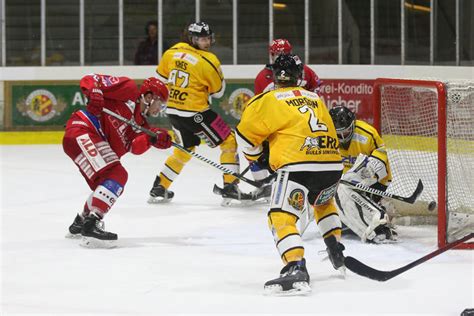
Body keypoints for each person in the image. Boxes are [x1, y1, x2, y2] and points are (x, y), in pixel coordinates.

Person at [236, 54, 346, 295]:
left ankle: (295, 265)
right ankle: (335, 247)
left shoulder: (266, 99)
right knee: (323, 204)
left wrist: (258, 159)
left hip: (297, 166)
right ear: (299, 75)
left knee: (281, 217)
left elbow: (244, 138)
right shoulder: (315, 97)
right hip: (332, 164)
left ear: (275, 75)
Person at [149, 21, 251, 206]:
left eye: (208, 38)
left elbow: (160, 80)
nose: (207, 42)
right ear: (193, 39)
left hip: (173, 111)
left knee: (184, 149)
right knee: (229, 141)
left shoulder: (171, 53)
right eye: (203, 39)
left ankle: (160, 186)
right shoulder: (209, 60)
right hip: (196, 112)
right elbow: (219, 92)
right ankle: (230, 187)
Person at [63, 74, 172, 248]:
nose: (160, 110)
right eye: (160, 104)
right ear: (150, 97)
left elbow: (133, 147)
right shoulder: (128, 89)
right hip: (83, 129)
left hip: (86, 139)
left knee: (108, 184)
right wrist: (96, 92)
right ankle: (91, 225)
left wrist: (152, 139)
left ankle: (81, 222)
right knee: (117, 174)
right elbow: (90, 79)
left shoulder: (140, 124)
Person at [249, 39, 323, 202]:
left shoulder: (304, 71)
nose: (278, 58)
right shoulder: (263, 77)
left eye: (282, 54)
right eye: (275, 54)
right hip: (277, 123)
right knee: (255, 147)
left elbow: (317, 87)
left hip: (300, 123)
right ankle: (264, 186)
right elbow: (260, 107)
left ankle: (302, 182)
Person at [329, 105, 398, 244]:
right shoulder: (326, 136)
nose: (342, 138)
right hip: (344, 181)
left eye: (346, 131)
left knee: (348, 196)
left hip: (375, 180)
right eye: (338, 134)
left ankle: (381, 223)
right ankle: (377, 211)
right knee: (342, 214)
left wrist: (367, 173)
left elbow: (381, 155)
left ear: (353, 125)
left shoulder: (367, 133)